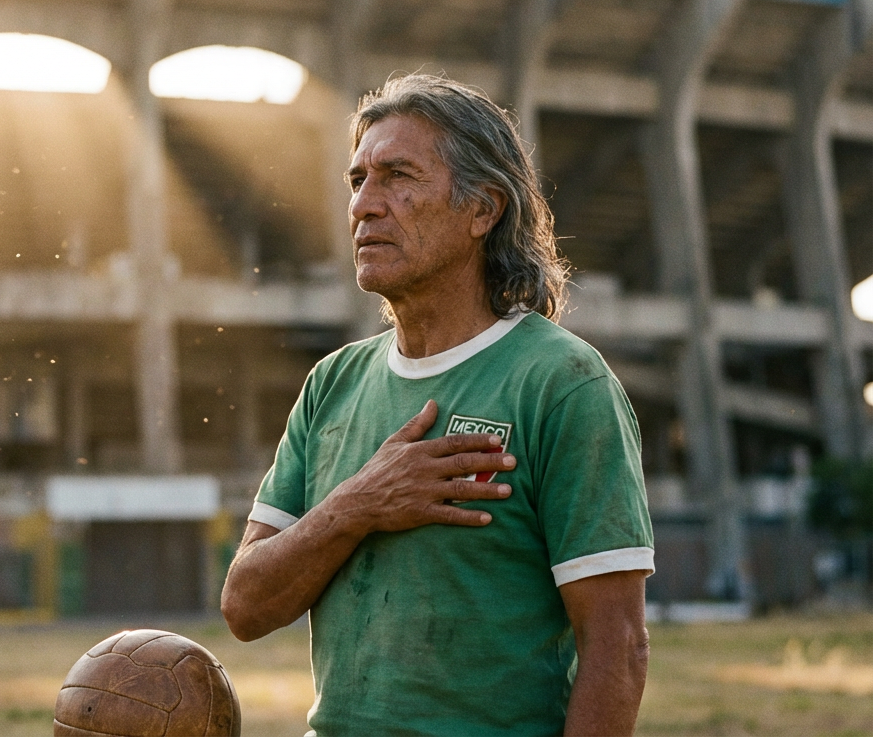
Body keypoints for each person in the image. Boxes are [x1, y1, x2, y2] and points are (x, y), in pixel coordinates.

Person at [220, 74, 653, 736]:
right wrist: (358, 503)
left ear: (483, 209)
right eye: (358, 180)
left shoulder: (562, 383)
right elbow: (246, 606)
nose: (365, 205)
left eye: (398, 176)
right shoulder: (332, 383)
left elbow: (617, 647)